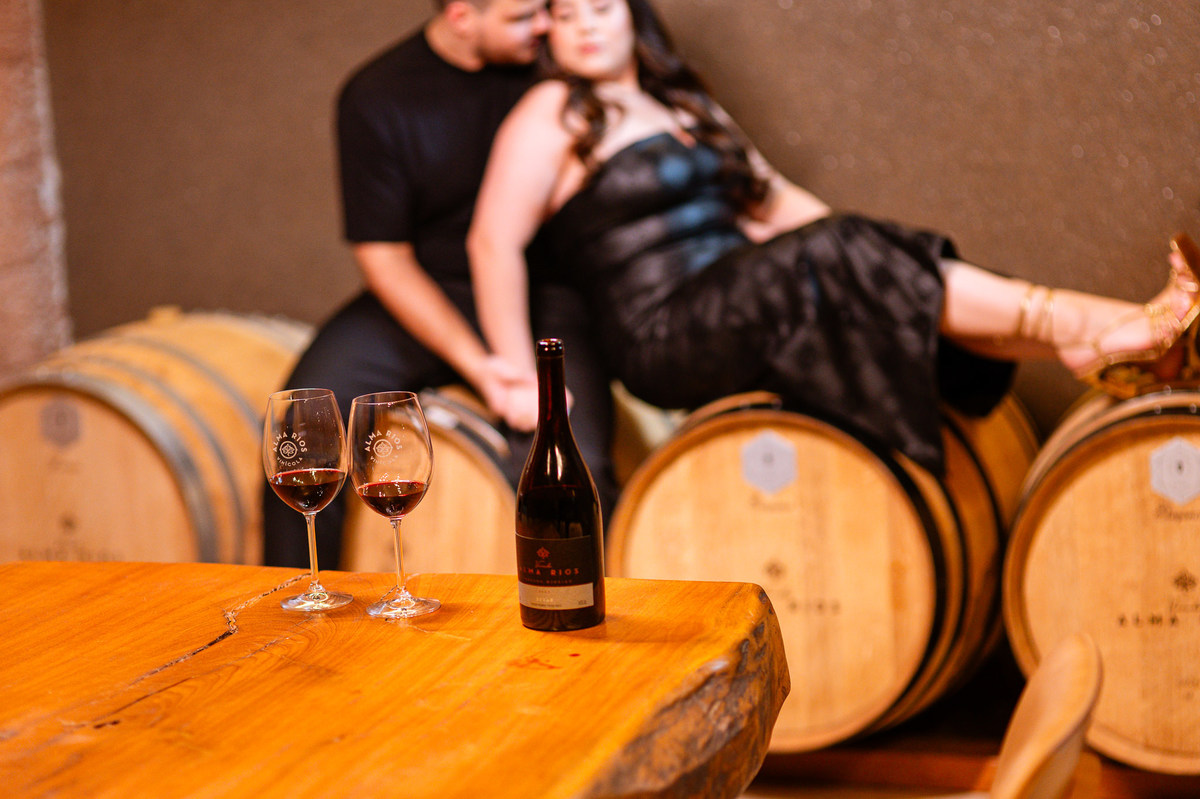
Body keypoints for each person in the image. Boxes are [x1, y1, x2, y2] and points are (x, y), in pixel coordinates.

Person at [467, 0, 1200, 475]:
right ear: (549, 33)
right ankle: (1107, 324)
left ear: (634, 16)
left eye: (602, 7)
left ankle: (1094, 342)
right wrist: (518, 376)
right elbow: (492, 243)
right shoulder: (553, 111)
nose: (587, 25)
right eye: (566, 14)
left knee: (872, 262)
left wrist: (870, 258)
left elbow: (778, 200)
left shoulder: (682, 105)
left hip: (739, 296)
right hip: (662, 333)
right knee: (842, 250)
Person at [263, 0, 618, 568]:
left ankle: (572, 607)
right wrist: (484, 369)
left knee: (580, 461)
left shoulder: (555, 70)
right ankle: (305, 600)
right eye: (522, 18)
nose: (546, 25)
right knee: (303, 439)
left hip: (539, 294)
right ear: (461, 17)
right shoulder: (379, 95)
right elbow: (385, 258)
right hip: (427, 292)